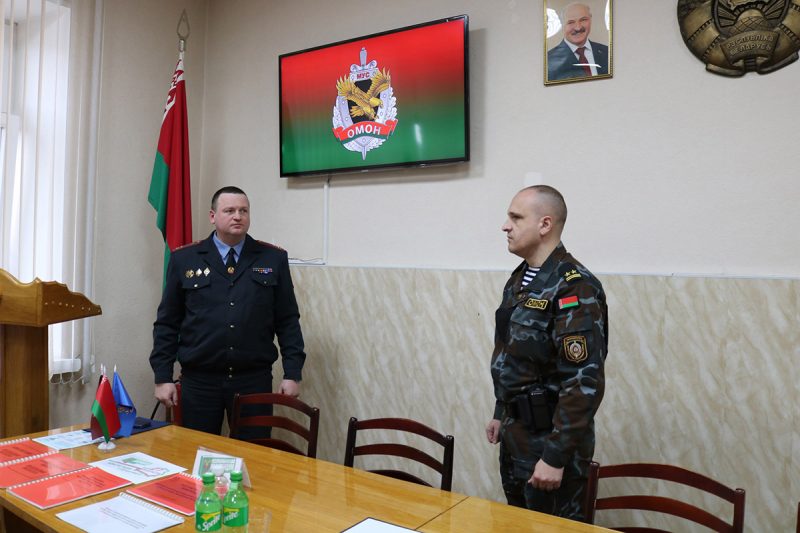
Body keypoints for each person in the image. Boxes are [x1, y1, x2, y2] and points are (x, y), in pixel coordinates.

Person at [485, 185, 608, 521]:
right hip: (517, 437)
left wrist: (555, 457)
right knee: (518, 525)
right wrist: (501, 410)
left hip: (551, 445)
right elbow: (513, 355)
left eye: (515, 217)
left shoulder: (574, 286)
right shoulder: (521, 280)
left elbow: (583, 382)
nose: (505, 225)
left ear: (545, 224)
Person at [150, 185, 306, 435]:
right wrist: (163, 376)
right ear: (213, 216)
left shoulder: (272, 258)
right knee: (198, 456)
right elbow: (167, 323)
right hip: (199, 381)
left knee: (255, 457)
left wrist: (292, 373)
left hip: (253, 381)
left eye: (243, 210)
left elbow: (287, 321)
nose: (238, 216)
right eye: (230, 210)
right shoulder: (186, 259)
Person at [547, 3, 609, 81]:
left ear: (590, 20)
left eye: (583, 20)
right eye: (571, 22)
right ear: (562, 25)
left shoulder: (607, 52)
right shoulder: (549, 61)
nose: (578, 27)